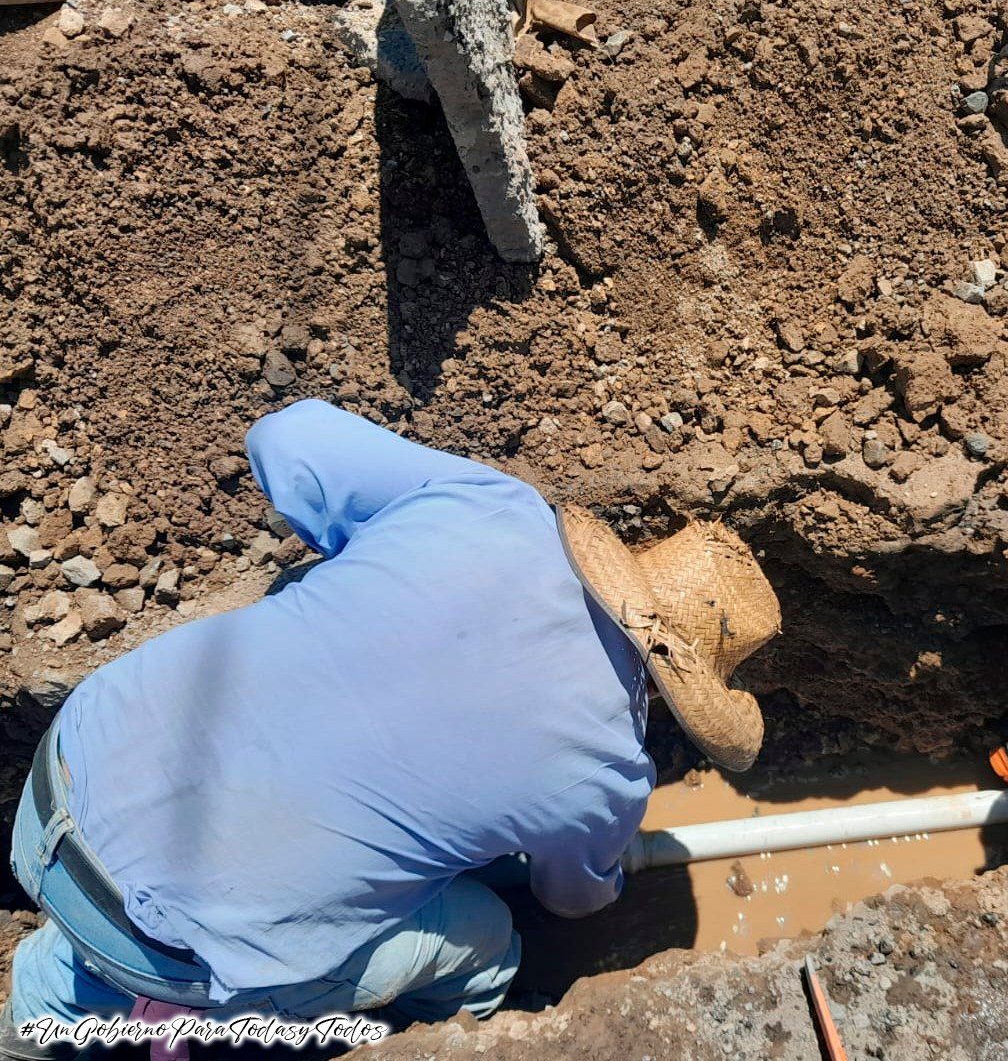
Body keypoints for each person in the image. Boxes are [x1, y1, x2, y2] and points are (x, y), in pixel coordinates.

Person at [2, 399, 779, 1059]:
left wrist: (358, 588)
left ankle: (29, 1015)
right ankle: (412, 1039)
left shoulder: (493, 507)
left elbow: (285, 437)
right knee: (488, 944)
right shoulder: (608, 770)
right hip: (169, 949)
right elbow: (572, 900)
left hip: (63, 778)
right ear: (683, 689)